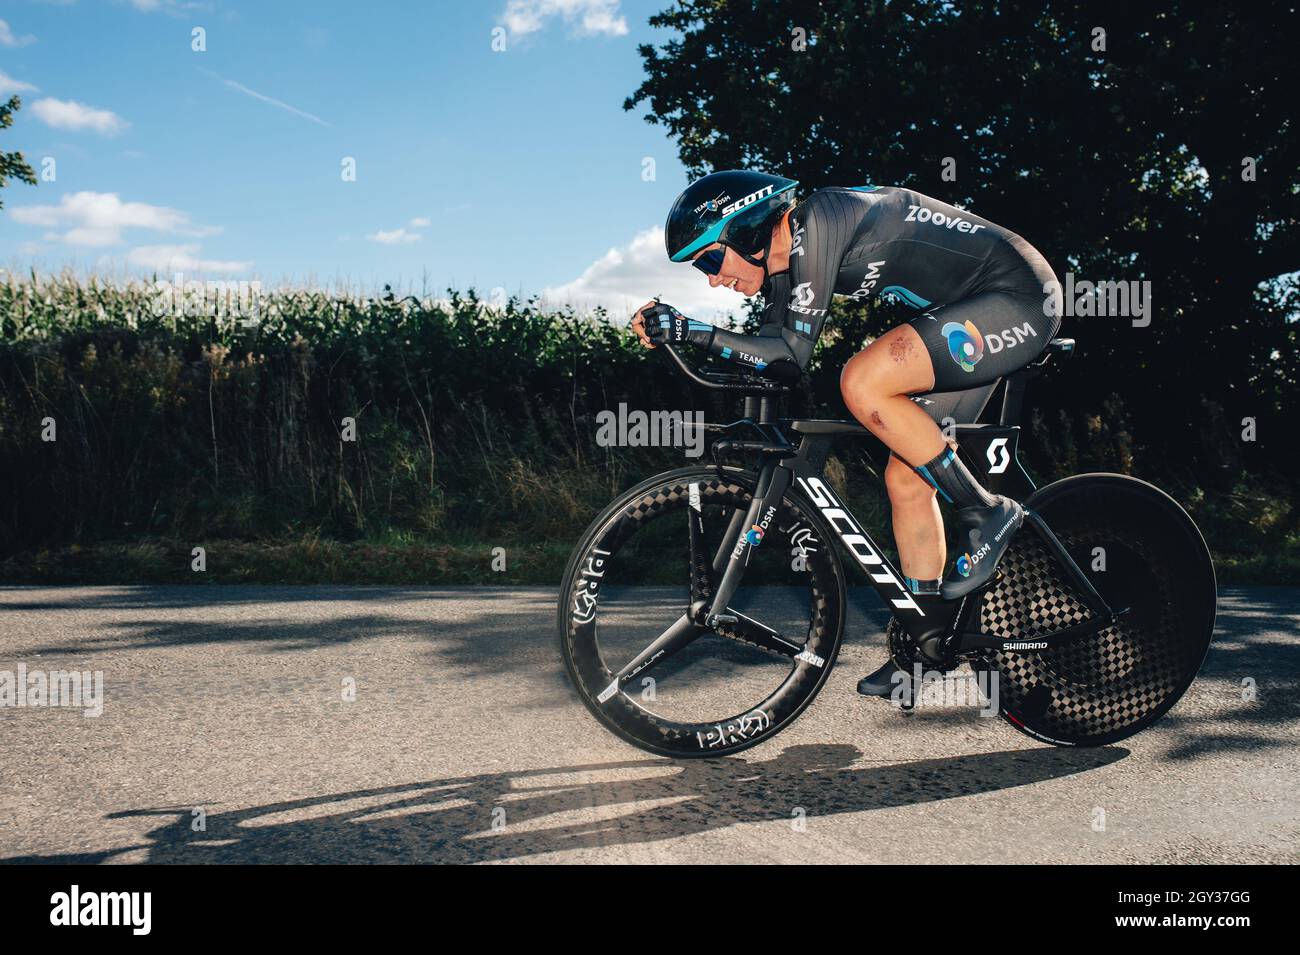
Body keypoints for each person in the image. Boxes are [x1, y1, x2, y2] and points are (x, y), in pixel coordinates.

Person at [631, 170, 1063, 696]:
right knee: (908, 478)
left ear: (747, 231)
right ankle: (927, 641)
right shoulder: (787, 269)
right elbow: (777, 365)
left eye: (710, 260)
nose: (712, 279)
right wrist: (697, 348)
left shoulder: (823, 219)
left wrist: (691, 329)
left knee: (863, 381)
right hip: (966, 311)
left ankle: (987, 511)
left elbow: (790, 353)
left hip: (1015, 295)